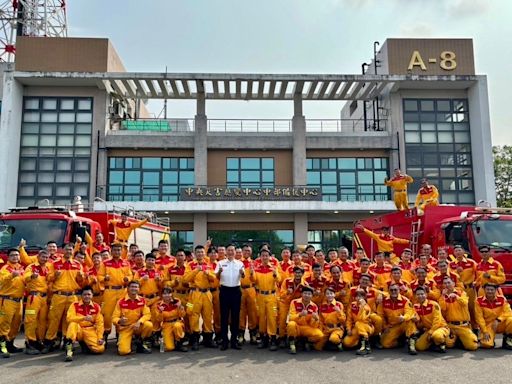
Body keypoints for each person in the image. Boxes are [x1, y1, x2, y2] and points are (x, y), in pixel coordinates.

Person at [45, 243, 84, 351]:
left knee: (70, 320)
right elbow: (48, 278)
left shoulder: (77, 264)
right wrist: (54, 276)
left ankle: (68, 342)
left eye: (71, 249)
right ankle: (49, 342)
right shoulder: (55, 264)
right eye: (67, 249)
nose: (69, 251)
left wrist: (81, 277)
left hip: (72, 295)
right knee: (53, 319)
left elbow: (81, 282)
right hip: (59, 295)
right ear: (63, 251)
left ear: (73, 251)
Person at [183, 245, 216, 350]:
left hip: (207, 293)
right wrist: (196, 270)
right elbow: (185, 279)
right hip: (194, 294)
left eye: (202, 252)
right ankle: (195, 339)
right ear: (195, 253)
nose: (200, 254)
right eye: (198, 252)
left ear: (204, 253)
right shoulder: (190, 264)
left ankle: (208, 339)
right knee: (193, 315)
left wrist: (207, 273)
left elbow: (214, 278)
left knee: (208, 316)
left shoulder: (208, 264)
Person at [99, 243, 132, 344]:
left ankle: (119, 336)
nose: (117, 252)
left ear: (121, 251)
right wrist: (104, 278)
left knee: (122, 313)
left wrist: (128, 279)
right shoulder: (105, 263)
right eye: (115, 250)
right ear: (111, 251)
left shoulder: (126, 263)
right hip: (110, 291)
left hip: (123, 291)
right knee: (107, 315)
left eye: (119, 250)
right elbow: (99, 276)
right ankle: (105, 334)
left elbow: (130, 275)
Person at [215, 244, 244, 350]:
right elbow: (216, 276)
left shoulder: (240, 263)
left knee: (235, 317)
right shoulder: (220, 263)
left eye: (232, 250)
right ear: (225, 252)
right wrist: (219, 271)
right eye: (229, 250)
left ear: (235, 252)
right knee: (224, 317)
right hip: (224, 291)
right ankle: (224, 341)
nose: (231, 252)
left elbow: (243, 275)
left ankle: (234, 341)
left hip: (236, 291)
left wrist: (242, 273)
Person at [64, 286, 105, 361]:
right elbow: (69, 318)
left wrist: (100, 337)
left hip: (89, 330)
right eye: (84, 294)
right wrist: (83, 318)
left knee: (100, 349)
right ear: (81, 296)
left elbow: (100, 324)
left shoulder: (96, 307)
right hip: (78, 329)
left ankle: (85, 344)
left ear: (92, 295)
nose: (87, 296)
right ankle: (69, 351)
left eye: (89, 294)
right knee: (73, 324)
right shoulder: (74, 305)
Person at [250, 248, 280, 351]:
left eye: (266, 255)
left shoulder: (274, 268)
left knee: (272, 318)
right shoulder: (257, 269)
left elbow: (278, 280)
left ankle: (272, 339)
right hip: (260, 296)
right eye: (263, 255)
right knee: (261, 317)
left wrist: (276, 274)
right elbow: (253, 280)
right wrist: (251, 272)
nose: (265, 257)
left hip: (271, 296)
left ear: (270, 257)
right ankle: (263, 338)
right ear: (260, 257)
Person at [112, 280, 153, 355]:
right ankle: (129, 341)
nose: (134, 289)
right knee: (123, 352)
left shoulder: (142, 300)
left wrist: (139, 322)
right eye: (132, 287)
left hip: (137, 326)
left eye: (136, 287)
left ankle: (140, 342)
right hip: (125, 328)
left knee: (149, 325)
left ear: (139, 289)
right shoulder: (121, 301)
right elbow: (114, 318)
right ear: (127, 288)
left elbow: (147, 314)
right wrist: (119, 321)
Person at [438, 276, 478, 351]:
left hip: (463, 325)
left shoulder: (462, 293)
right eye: (445, 283)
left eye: (449, 282)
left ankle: (461, 339)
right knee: (448, 344)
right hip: (451, 326)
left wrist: (456, 297)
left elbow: (464, 303)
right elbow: (442, 308)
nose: (447, 285)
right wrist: (443, 296)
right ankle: (457, 340)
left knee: (473, 346)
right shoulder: (442, 296)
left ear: (453, 283)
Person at [378, 283, 418, 355]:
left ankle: (412, 344)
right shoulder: (383, 301)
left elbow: (409, 313)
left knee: (410, 320)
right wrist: (385, 327)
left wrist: (404, 317)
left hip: (403, 323)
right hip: (393, 326)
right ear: (388, 291)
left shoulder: (405, 300)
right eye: (391, 290)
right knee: (385, 344)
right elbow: (381, 316)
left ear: (399, 290)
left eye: (395, 290)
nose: (393, 291)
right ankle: (401, 341)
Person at [23, 249, 50, 355]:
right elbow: (25, 278)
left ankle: (40, 340)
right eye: (43, 257)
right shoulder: (31, 267)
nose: (45, 259)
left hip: (44, 298)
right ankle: (30, 342)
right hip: (34, 298)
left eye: (46, 257)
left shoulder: (48, 267)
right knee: (31, 320)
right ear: (38, 257)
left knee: (42, 321)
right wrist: (31, 276)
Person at [0, 248, 25, 357]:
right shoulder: (5, 268)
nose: (15, 257)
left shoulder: (21, 268)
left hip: (19, 301)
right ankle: (2, 347)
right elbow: (2, 280)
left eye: (17, 255)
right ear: (8, 257)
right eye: (13, 255)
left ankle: (10, 345)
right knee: (4, 324)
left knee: (16, 324)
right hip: (7, 300)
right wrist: (12, 275)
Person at [287, 286, 324, 354]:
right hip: (297, 326)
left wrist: (316, 319)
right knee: (291, 324)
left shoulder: (314, 306)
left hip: (306, 328)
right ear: (301, 294)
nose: (307, 295)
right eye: (305, 293)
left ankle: (305, 341)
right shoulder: (294, 302)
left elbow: (314, 326)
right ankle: (292, 344)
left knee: (320, 335)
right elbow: (290, 317)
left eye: (309, 294)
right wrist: (300, 315)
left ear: (312, 296)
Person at [413, 286, 450, 353]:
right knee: (419, 347)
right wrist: (417, 322)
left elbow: (437, 320)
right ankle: (433, 343)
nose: (420, 296)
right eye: (418, 294)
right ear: (415, 296)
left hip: (440, 327)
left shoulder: (433, 304)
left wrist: (431, 332)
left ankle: (441, 343)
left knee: (437, 336)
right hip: (429, 330)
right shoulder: (415, 307)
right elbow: (419, 323)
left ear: (426, 295)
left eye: (422, 294)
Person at [474, 283, 512, 349]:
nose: (490, 291)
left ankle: (508, 339)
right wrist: (485, 331)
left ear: (496, 290)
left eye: (492, 290)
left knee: (511, 320)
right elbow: (479, 318)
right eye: (487, 289)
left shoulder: (502, 299)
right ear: (484, 290)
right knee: (487, 345)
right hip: (488, 326)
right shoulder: (478, 301)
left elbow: (509, 312)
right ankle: (485, 339)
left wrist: (498, 320)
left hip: (500, 323)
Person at [278, 266, 305, 347]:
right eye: (296, 272)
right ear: (293, 273)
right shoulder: (287, 281)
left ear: (303, 274)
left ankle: (296, 338)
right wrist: (287, 292)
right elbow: (281, 295)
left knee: (297, 321)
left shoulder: (305, 284)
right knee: (282, 321)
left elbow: (306, 296)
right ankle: (282, 338)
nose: (297, 274)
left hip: (297, 305)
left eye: (299, 273)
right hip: (285, 303)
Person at [154, 287, 188, 352]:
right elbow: (158, 319)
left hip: (177, 322)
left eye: (169, 293)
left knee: (177, 326)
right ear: (162, 295)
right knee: (169, 348)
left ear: (171, 294)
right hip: (166, 324)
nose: (167, 295)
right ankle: (171, 341)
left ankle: (179, 343)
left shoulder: (177, 301)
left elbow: (183, 314)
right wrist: (160, 312)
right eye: (164, 294)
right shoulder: (158, 305)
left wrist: (180, 307)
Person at [343, 289, 374, 355]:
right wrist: (348, 329)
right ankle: (360, 342)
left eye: (360, 296)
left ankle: (365, 347)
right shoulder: (352, 305)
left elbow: (361, 318)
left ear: (364, 297)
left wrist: (362, 306)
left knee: (358, 323)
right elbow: (349, 319)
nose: (358, 298)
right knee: (347, 343)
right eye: (357, 296)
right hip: (356, 327)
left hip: (367, 327)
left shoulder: (366, 307)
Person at [238, 244, 258, 346]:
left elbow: (256, 278)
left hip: (251, 289)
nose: (247, 252)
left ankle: (253, 333)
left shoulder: (254, 263)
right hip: (240, 289)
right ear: (242, 251)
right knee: (241, 312)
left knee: (252, 312)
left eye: (249, 251)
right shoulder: (237, 263)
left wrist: (252, 272)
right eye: (245, 251)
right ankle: (240, 334)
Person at [318, 287, 346, 351]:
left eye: (331, 293)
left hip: (337, 328)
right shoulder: (322, 306)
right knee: (317, 346)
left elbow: (343, 320)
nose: (329, 295)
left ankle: (339, 343)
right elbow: (321, 320)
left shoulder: (339, 304)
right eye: (327, 294)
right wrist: (321, 329)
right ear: (325, 295)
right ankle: (329, 345)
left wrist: (339, 311)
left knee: (334, 339)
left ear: (334, 294)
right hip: (326, 328)